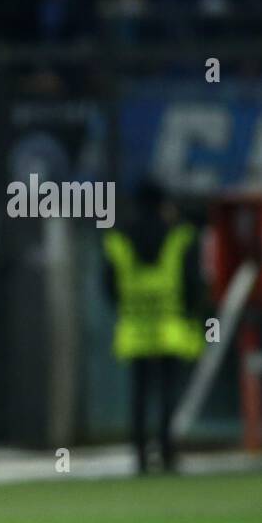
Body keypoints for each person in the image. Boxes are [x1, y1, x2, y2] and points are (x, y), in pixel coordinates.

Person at [103, 180, 203, 473]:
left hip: (135, 326)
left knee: (139, 391)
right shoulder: (180, 235)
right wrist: (191, 312)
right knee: (168, 390)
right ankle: (167, 451)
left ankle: (139, 454)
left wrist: (126, 308)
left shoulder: (120, 238)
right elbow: (192, 282)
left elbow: (108, 284)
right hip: (171, 326)